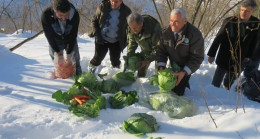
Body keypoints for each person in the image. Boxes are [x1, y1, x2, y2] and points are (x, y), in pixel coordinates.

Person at [207, 0, 259, 90]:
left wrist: (249, 56)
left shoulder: (256, 24)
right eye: (242, 10)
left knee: (228, 84)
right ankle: (212, 95)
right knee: (216, 82)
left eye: (247, 11)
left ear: (252, 11)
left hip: (240, 58)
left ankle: (225, 96)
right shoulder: (230, 21)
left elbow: (255, 42)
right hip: (225, 55)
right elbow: (218, 38)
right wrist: (211, 54)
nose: (243, 13)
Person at [157, 8, 204, 96]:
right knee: (168, 88)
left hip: (186, 65)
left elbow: (197, 57)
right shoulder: (165, 32)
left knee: (177, 92)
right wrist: (161, 66)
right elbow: (161, 50)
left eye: (176, 21)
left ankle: (185, 83)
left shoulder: (195, 34)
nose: (172, 24)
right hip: (173, 62)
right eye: (171, 20)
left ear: (185, 21)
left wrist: (184, 72)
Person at [88, 0, 131, 73]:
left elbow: (130, 27)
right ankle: (90, 74)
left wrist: (128, 39)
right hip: (102, 38)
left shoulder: (127, 11)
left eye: (116, 1)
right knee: (97, 58)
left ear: (121, 1)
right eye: (112, 1)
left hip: (116, 41)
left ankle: (116, 76)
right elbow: (94, 20)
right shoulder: (103, 6)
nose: (113, 3)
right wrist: (97, 35)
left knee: (115, 61)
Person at [41, 0, 82, 76]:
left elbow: (73, 34)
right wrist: (58, 52)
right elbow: (49, 35)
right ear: (54, 10)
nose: (63, 18)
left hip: (69, 38)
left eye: (66, 15)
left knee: (75, 58)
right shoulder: (46, 15)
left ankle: (78, 75)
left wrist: (69, 52)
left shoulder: (75, 14)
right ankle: (61, 78)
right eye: (60, 15)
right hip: (55, 39)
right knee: (58, 63)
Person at [126, 13, 161, 77]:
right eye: (131, 28)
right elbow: (132, 44)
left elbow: (157, 49)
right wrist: (129, 56)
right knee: (140, 71)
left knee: (159, 73)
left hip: (160, 51)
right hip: (146, 49)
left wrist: (147, 61)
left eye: (135, 28)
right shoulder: (131, 28)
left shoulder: (154, 27)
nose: (133, 30)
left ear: (141, 24)